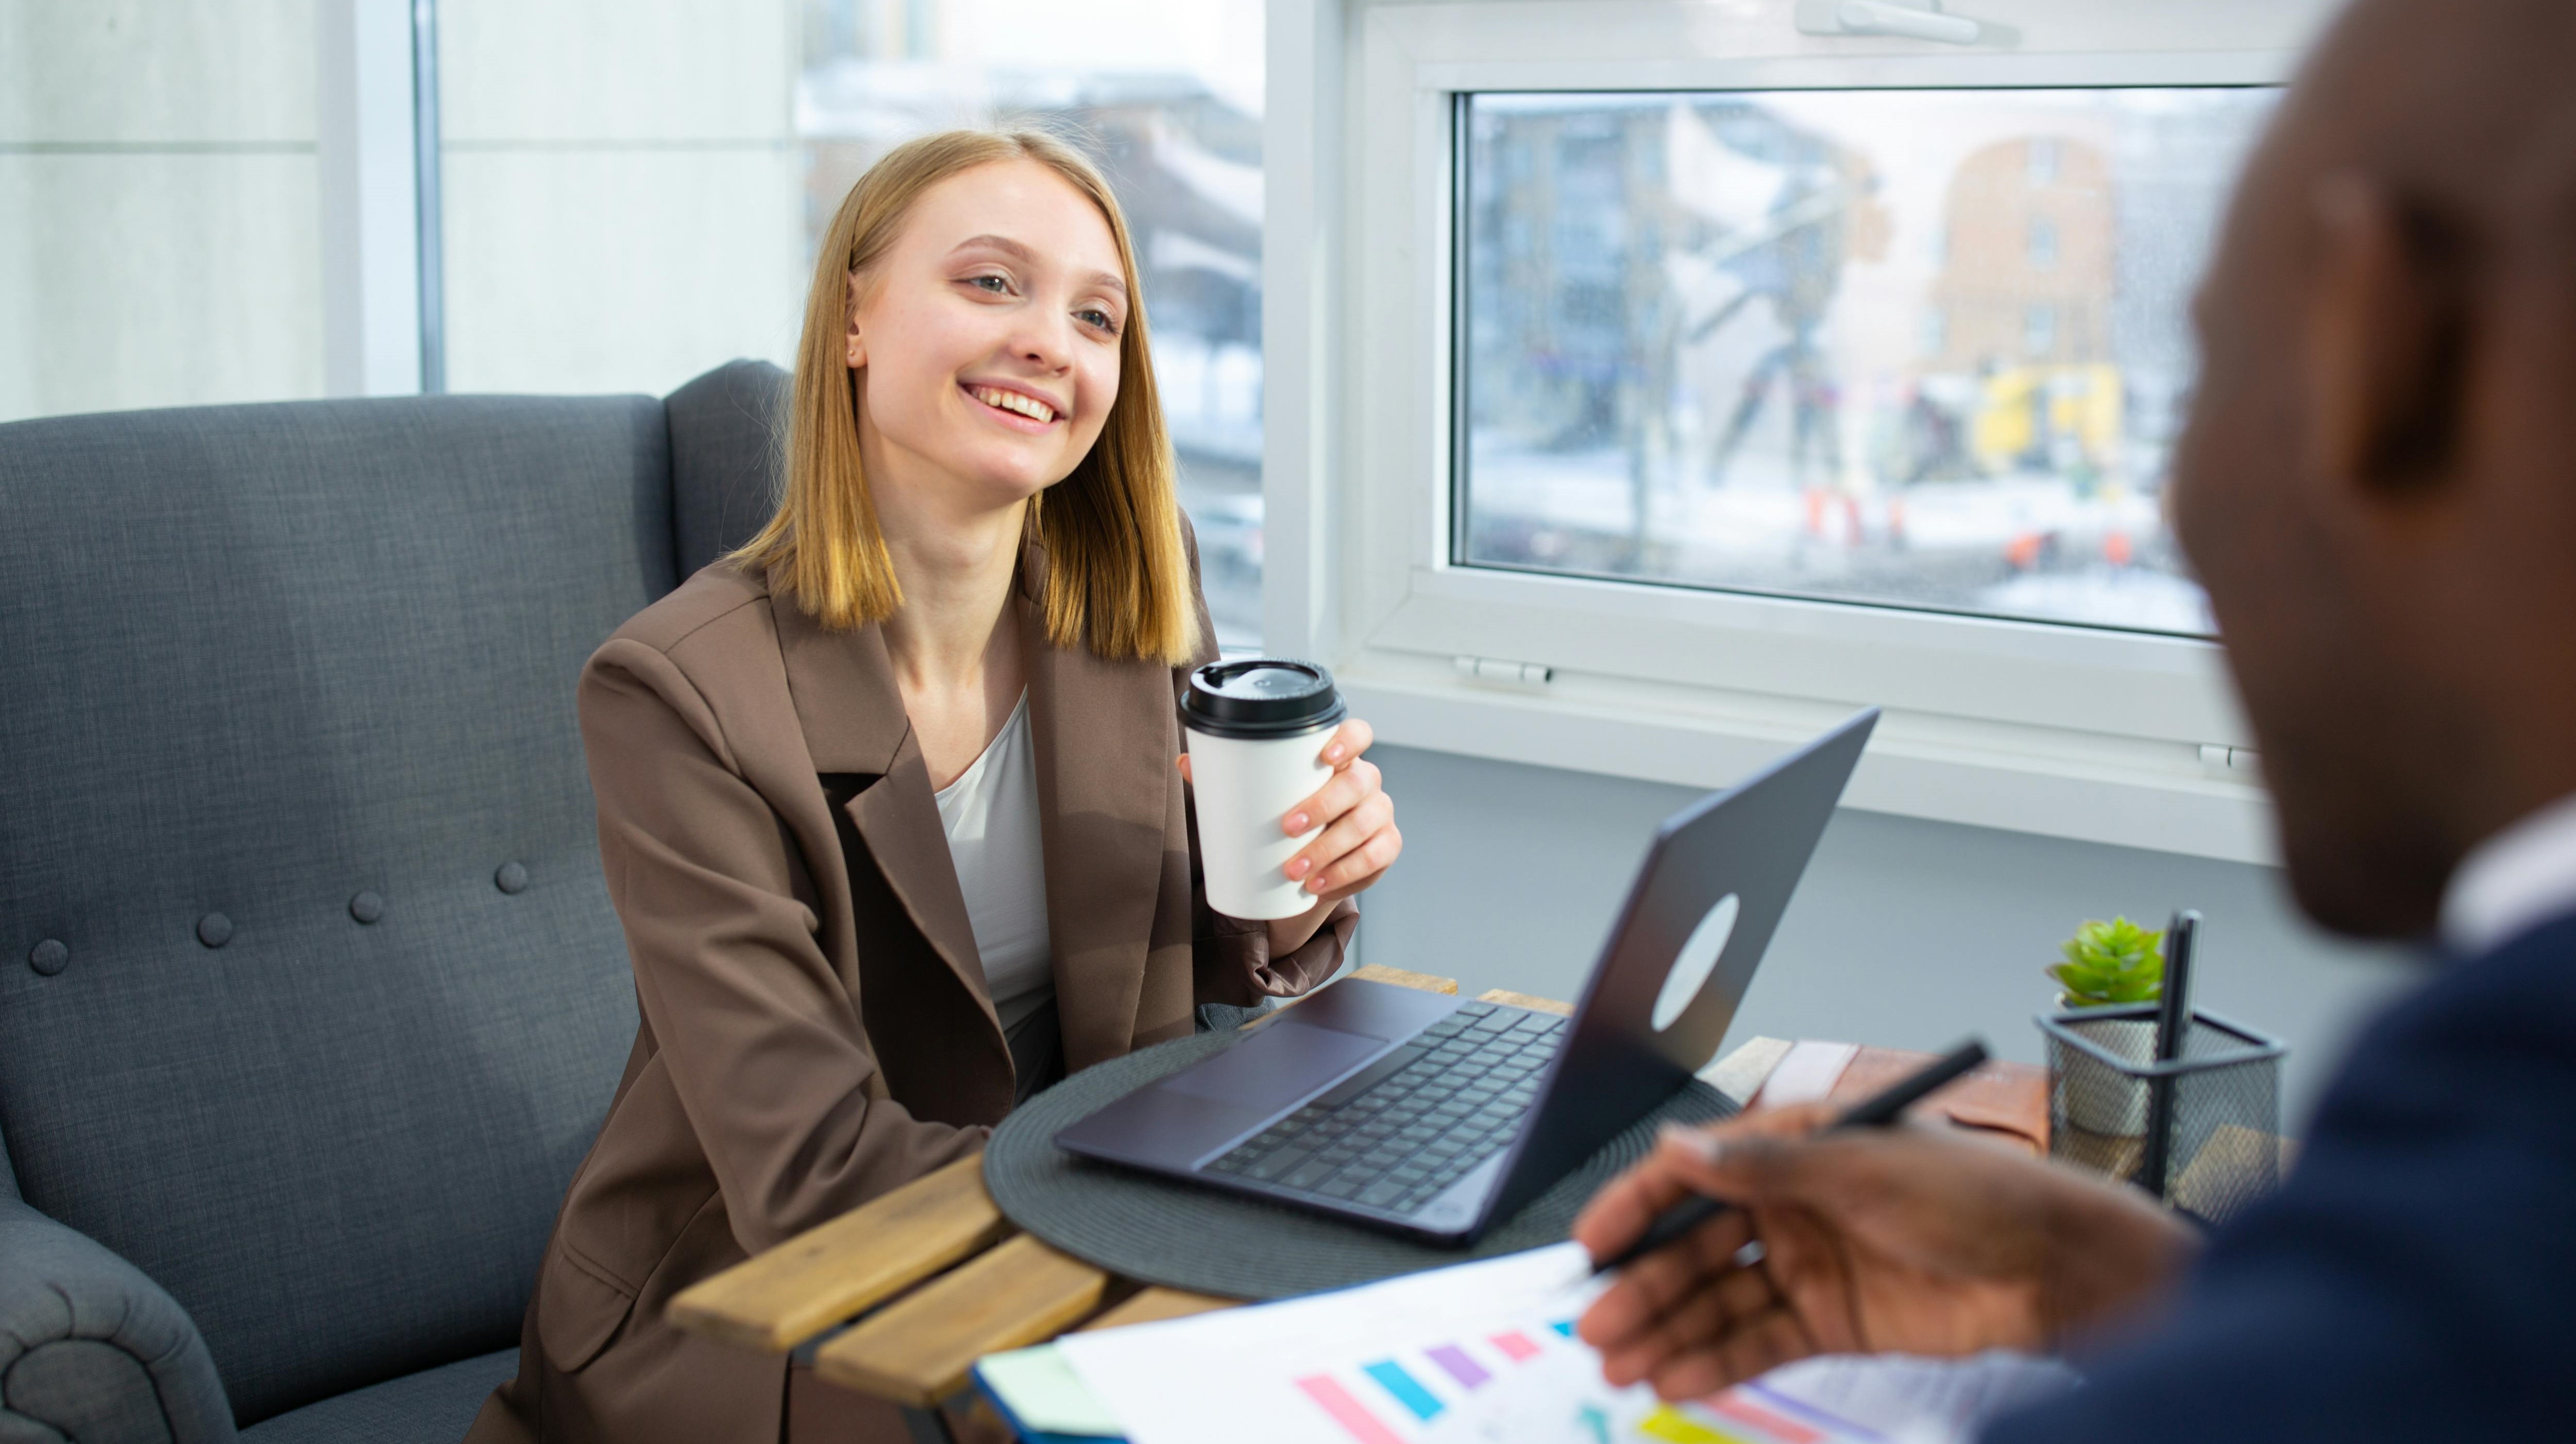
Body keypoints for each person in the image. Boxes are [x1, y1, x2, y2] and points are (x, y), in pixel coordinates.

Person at [1573, 0, 2576, 1435]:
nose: (2176, 507)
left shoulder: (2502, 1178)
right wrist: (2109, 1273)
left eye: (2210, 360)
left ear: (2378, 342)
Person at [468, 129, 1402, 1444]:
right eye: (989, 283)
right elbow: (808, 1172)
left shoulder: (1133, 589)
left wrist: (1297, 901)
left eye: (1095, 315)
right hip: (764, 1300)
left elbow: (1177, 955)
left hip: (1064, 1233)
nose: (1050, 342)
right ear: (853, 314)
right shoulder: (677, 689)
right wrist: (1186, 1209)